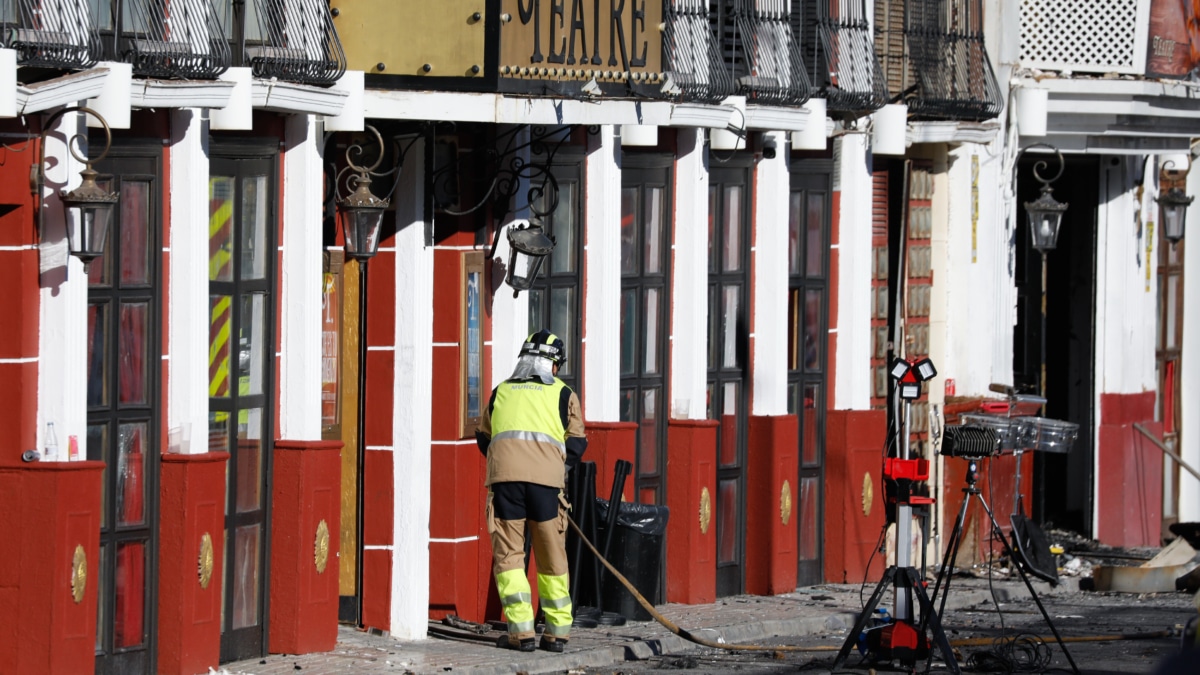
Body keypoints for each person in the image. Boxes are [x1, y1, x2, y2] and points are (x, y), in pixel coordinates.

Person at [476, 329, 587, 653]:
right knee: (552, 556)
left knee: (509, 555)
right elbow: (577, 444)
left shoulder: (501, 392)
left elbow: (484, 438)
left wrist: (509, 462)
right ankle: (556, 633)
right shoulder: (564, 394)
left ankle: (521, 632)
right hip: (547, 487)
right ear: (553, 365)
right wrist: (551, 467)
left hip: (505, 482)